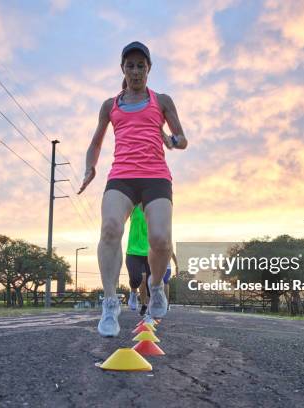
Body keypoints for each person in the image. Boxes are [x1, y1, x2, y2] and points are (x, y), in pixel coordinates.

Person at [78, 41, 188, 337]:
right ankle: (110, 303)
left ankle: (155, 287)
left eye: (142, 65)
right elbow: (96, 142)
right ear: (122, 68)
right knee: (110, 228)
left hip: (155, 176)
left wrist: (171, 141)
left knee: (161, 239)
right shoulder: (110, 106)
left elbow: (182, 138)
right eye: (131, 65)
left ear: (149, 69)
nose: (136, 70)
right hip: (122, 176)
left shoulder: (162, 100)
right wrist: (90, 167)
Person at [126, 205, 151, 316]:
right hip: (133, 251)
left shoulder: (152, 207)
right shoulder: (133, 207)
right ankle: (133, 293)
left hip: (150, 251)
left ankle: (148, 309)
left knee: (149, 282)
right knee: (136, 279)